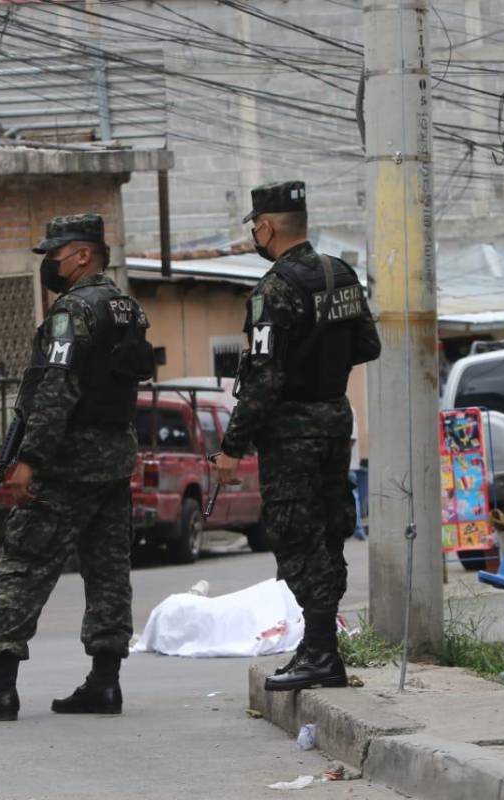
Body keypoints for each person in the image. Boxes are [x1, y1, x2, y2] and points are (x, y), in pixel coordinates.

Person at [0, 213, 154, 722]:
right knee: (108, 572)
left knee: (25, 565)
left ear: (83, 255)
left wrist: (29, 460)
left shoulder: (72, 312)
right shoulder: (127, 308)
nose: (48, 265)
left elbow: (56, 390)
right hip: (113, 463)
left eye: (54, 255)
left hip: (67, 465)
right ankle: (105, 683)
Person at [212, 181, 381, 692]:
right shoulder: (341, 274)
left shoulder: (273, 290)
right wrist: (322, 368)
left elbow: (263, 379)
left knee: (296, 534)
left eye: (255, 228)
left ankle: (322, 655)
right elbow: (367, 345)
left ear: (265, 227)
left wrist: (231, 446)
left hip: (291, 432)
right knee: (329, 531)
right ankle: (317, 646)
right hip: (335, 417)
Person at [349, 406, 366, 541]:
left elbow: (351, 438)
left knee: (353, 496)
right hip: (345, 464)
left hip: (347, 464)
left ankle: (358, 529)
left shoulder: (349, 408)